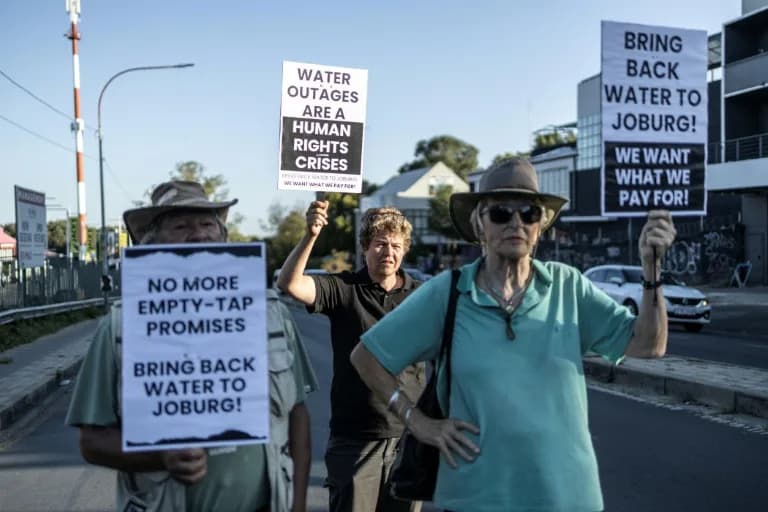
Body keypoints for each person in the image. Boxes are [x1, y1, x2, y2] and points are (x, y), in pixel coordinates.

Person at [350, 157, 677, 512]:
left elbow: (649, 344)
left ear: (541, 225)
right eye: (501, 213)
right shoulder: (448, 292)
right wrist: (417, 422)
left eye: (529, 213)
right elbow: (366, 357)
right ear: (479, 223)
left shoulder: (567, 286)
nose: (516, 223)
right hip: (475, 498)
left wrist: (651, 268)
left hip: (566, 498)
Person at [66, 180, 318, 512]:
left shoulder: (271, 314)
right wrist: (160, 456)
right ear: (153, 245)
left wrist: (297, 505)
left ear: (223, 237)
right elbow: (92, 441)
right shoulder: (122, 325)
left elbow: (297, 416)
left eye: (207, 224)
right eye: (181, 226)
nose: (198, 235)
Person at [277, 201, 423, 512]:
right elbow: (289, 284)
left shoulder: (422, 296)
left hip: (409, 439)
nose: (388, 252)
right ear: (364, 247)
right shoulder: (345, 289)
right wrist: (311, 234)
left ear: (405, 250)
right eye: (380, 244)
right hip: (356, 441)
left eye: (396, 246)